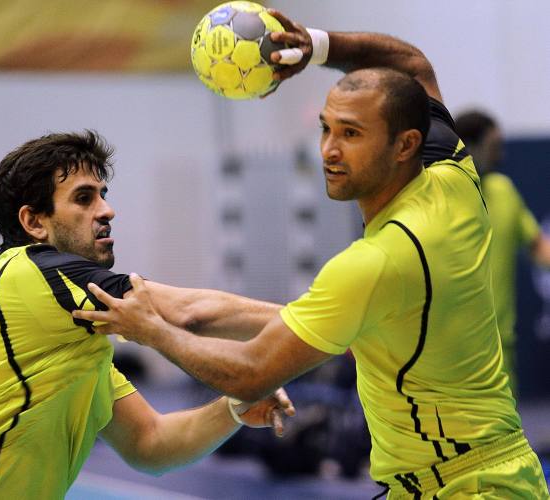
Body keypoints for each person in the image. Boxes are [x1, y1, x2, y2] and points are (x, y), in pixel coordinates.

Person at [75, 13, 550, 499]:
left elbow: (252, 371)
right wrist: (316, 47)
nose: (329, 150)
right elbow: (411, 62)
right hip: (471, 474)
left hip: (466, 487)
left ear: (406, 144)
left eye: (351, 134)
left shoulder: (377, 261)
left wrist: (150, 332)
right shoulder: (453, 177)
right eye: (327, 129)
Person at [0, 131, 295, 499]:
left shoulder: (77, 338)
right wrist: (326, 324)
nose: (106, 210)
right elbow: (188, 314)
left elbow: (150, 444)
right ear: (34, 222)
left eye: (103, 193)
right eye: (84, 198)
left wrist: (232, 409)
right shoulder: (28, 274)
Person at [455, 110, 550, 392]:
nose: (501, 156)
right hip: (451, 353)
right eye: (494, 147)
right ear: (469, 147)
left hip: (501, 347)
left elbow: (539, 248)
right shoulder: (437, 194)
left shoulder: (504, 190)